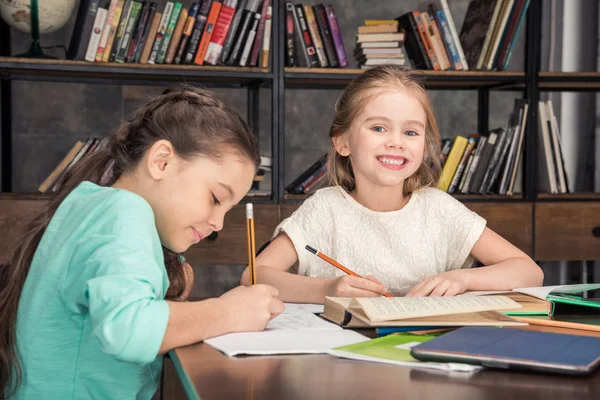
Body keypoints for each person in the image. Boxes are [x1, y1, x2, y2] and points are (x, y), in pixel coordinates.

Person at [1, 87, 284, 399]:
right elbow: (129, 330)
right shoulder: (125, 210)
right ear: (161, 161)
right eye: (216, 198)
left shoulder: (88, 201)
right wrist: (228, 311)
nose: (218, 223)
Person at [241, 65, 543, 303]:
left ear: (424, 147)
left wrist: (463, 279)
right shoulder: (324, 209)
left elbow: (529, 271)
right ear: (343, 142)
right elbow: (254, 276)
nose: (396, 142)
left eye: (411, 133)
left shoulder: (439, 210)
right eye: (378, 128)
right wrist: (326, 288)